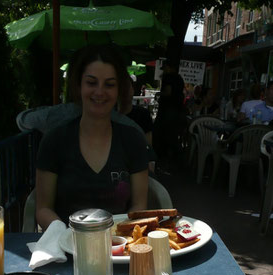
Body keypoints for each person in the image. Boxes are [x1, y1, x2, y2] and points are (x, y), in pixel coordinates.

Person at [35, 45, 149, 231]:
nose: (99, 92)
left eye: (109, 84)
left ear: (119, 89)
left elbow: (139, 206)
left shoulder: (133, 140)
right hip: (66, 248)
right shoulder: (54, 140)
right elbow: (43, 208)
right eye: (91, 82)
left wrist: (115, 236)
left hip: (117, 247)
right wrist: (65, 236)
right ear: (78, 85)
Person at [153, 71, 188, 171]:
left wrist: (159, 93)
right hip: (179, 112)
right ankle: (178, 162)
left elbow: (168, 92)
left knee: (166, 137)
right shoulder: (179, 79)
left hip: (169, 112)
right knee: (173, 138)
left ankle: (167, 163)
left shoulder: (169, 78)